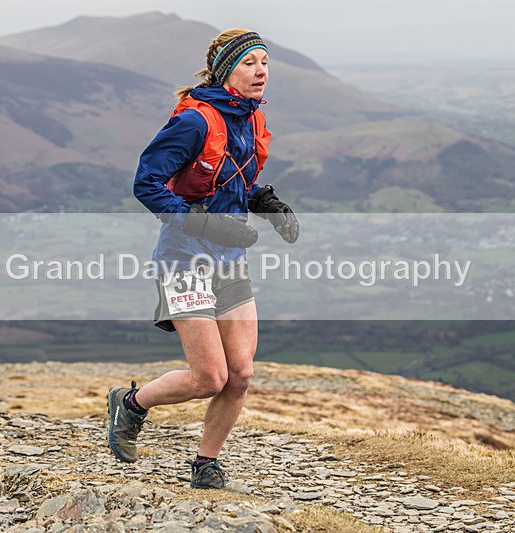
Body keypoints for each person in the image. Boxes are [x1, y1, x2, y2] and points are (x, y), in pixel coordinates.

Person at [107, 28, 299, 490]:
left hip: (230, 258)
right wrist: (202, 224)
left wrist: (265, 202)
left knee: (241, 374)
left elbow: (226, 181)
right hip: (184, 258)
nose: (261, 72)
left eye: (265, 64)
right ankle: (131, 404)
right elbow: (146, 184)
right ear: (226, 70)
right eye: (250, 63)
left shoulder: (248, 119)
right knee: (210, 376)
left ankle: (206, 465)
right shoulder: (194, 121)